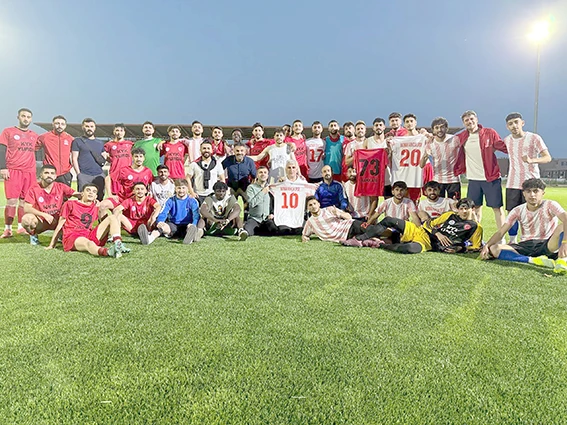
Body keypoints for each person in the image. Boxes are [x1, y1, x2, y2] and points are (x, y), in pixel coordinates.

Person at [480, 178, 567, 274]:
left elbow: (565, 219)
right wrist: (487, 245)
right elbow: (501, 232)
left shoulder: (550, 204)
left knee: (562, 226)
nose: (532, 195)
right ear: (524, 194)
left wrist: (565, 242)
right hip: (526, 245)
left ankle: (562, 261)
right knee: (494, 249)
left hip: (547, 243)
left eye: (535, 191)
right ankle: (532, 260)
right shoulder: (517, 210)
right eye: (528, 191)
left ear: (543, 193)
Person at [343, 198, 482, 254]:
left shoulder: (475, 227)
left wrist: (460, 248)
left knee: (408, 249)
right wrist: (438, 233)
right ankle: (358, 239)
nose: (464, 211)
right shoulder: (450, 215)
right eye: (461, 208)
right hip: (419, 231)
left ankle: (379, 245)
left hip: (428, 243)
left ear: (472, 209)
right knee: (389, 220)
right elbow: (429, 224)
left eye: (467, 209)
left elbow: (475, 247)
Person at [502, 112, 552, 244]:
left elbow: (547, 157)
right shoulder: (507, 140)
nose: (514, 126)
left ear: (522, 123)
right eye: (510, 124)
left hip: (531, 183)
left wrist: (532, 160)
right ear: (507, 126)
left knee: (534, 212)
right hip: (513, 182)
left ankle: (536, 239)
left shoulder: (534, 138)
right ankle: (513, 241)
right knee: (512, 213)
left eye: (516, 122)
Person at [46, 184, 129, 258]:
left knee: (112, 217)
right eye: (88, 190)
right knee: (89, 243)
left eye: (94, 192)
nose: (91, 193)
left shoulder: (96, 207)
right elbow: (60, 225)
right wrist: (52, 245)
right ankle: (108, 252)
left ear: (96, 196)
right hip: (73, 236)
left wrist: (101, 209)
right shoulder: (70, 204)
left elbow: (105, 223)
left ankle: (118, 244)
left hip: (89, 234)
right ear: (82, 193)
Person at [455, 110, 507, 228]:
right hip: (473, 179)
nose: (469, 122)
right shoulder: (462, 136)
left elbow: (503, 146)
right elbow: (447, 141)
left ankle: (502, 236)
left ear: (476, 120)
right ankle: (476, 235)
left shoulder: (489, 133)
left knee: (497, 208)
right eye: (466, 120)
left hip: (491, 178)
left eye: (471, 119)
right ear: (463, 123)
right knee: (474, 209)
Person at [0, 108, 39, 237]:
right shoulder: (8, 132)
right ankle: (8, 229)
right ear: (18, 117)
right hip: (13, 170)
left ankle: (21, 227)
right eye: (23, 116)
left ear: (31, 119)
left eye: (28, 117)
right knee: (12, 201)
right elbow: (1, 150)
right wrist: (3, 167)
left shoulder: (34, 135)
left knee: (24, 202)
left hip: (29, 172)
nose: (26, 119)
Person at [22, 165, 78, 245]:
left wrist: (89, 196)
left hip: (57, 221)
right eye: (46, 173)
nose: (49, 175)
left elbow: (77, 194)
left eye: (52, 173)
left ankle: (61, 234)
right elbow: (27, 208)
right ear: (41, 175)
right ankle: (33, 235)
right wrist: (44, 215)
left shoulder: (60, 186)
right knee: (26, 219)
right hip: (42, 221)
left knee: (73, 216)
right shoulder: (34, 189)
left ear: (55, 176)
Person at [302, 196, 389, 246]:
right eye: (310, 205)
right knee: (372, 238)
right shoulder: (310, 222)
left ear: (319, 204)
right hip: (345, 237)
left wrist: (339, 214)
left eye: (314, 203)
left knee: (372, 230)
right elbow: (304, 234)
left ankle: (393, 234)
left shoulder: (329, 209)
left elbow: (349, 217)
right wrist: (305, 238)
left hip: (350, 226)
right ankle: (388, 239)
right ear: (308, 208)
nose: (313, 206)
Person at [420, 117, 461, 199]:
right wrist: (425, 157)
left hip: (454, 180)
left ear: (446, 128)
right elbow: (421, 165)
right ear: (433, 130)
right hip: (438, 180)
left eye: (442, 127)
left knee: (454, 204)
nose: (439, 130)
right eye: (437, 128)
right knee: (439, 204)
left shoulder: (455, 139)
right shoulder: (430, 142)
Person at [154, 178, 200, 244]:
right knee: (163, 227)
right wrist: (160, 221)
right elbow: (164, 212)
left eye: (183, 188)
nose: (181, 190)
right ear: (175, 189)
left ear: (187, 189)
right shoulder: (170, 200)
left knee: (191, 227)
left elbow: (196, 215)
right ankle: (150, 238)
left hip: (187, 225)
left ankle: (190, 237)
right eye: (179, 188)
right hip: (173, 225)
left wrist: (194, 224)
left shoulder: (192, 201)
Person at [71, 118, 107, 201]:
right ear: (83, 127)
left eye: (91, 126)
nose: (89, 128)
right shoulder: (77, 141)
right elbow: (74, 158)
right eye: (87, 126)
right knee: (83, 198)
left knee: (99, 198)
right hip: (84, 174)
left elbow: (103, 156)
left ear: (95, 128)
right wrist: (79, 173)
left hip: (98, 174)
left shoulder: (100, 142)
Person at [36, 115, 74, 186]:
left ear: (65, 126)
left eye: (62, 124)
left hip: (65, 173)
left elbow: (75, 154)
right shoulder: (44, 137)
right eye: (57, 123)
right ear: (53, 124)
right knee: (47, 192)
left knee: (65, 193)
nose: (60, 126)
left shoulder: (70, 139)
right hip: (49, 172)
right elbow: (32, 149)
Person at [244, 166, 279, 236]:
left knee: (274, 231)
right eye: (260, 172)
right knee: (248, 231)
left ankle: (259, 231)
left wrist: (272, 214)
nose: (263, 174)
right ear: (257, 175)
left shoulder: (271, 188)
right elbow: (251, 203)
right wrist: (263, 192)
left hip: (267, 219)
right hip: (254, 218)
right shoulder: (251, 188)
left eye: (265, 172)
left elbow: (275, 203)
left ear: (267, 175)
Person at [364, 117, 392, 200]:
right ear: (373, 128)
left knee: (388, 200)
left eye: (380, 125)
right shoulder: (368, 141)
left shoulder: (389, 142)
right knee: (373, 200)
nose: (378, 127)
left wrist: (389, 151)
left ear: (384, 127)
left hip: (387, 176)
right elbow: (363, 157)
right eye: (376, 125)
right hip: (373, 177)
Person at [104, 123, 134, 197]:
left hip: (127, 173)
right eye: (117, 130)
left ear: (124, 132)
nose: (119, 132)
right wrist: (107, 157)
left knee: (128, 196)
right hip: (115, 173)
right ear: (114, 132)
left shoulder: (130, 144)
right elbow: (103, 155)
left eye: (121, 130)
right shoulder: (109, 145)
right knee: (115, 196)